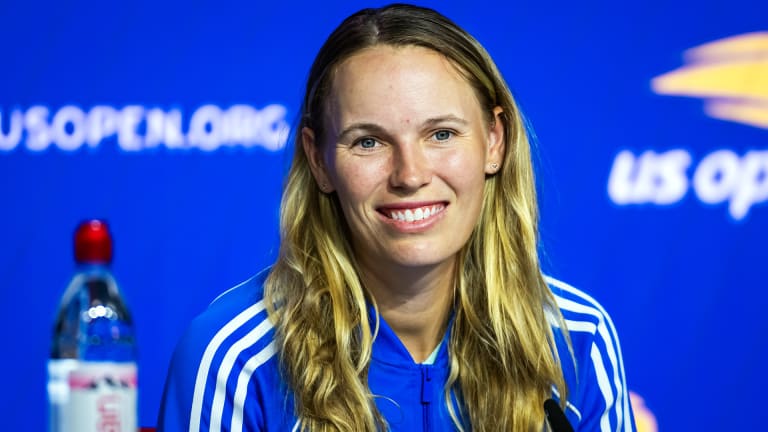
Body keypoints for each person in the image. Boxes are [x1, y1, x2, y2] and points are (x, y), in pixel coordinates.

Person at [157, 4, 635, 431]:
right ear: (320, 160)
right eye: (368, 142)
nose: (410, 175)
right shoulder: (235, 360)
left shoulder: (577, 340)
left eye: (442, 134)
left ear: (494, 142)